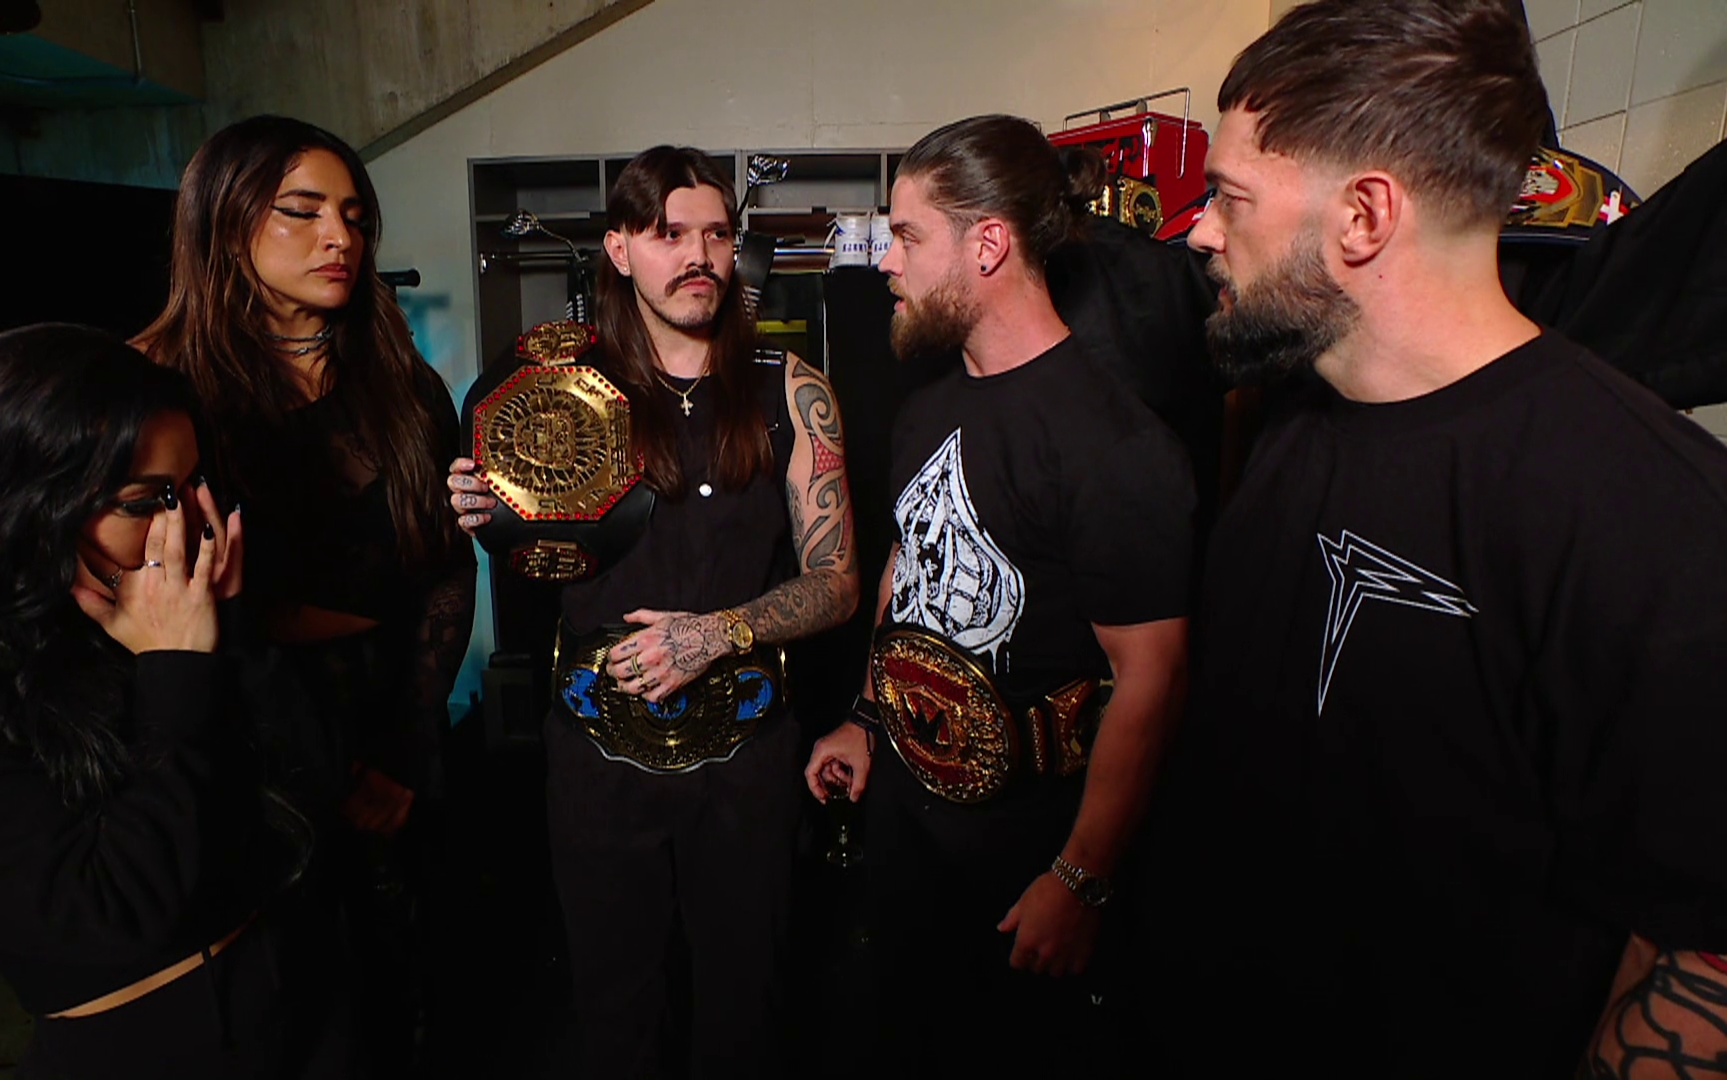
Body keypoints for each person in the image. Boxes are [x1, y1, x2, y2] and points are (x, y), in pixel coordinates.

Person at [1129, 2, 1727, 1076]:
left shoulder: (1653, 513)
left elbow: (1698, 946)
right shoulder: (1290, 429)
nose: (1201, 233)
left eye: (1229, 197)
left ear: (1364, 216)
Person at [0, 324, 348, 1078]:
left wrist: (230, 635)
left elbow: (313, 780)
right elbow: (121, 909)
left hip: (310, 1001)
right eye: (147, 500)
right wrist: (175, 671)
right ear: (20, 503)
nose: (190, 527)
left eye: (194, 486)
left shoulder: (119, 612)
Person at [448, 144, 859, 1079]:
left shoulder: (791, 389)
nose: (698, 256)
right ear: (621, 248)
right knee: (615, 1011)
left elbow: (837, 581)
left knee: (746, 1009)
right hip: (596, 760)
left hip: (746, 758)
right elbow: (519, 547)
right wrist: (485, 511)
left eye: (716, 233)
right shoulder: (553, 393)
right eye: (669, 234)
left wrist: (719, 631)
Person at [802, 114, 1197, 1074]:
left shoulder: (1113, 445)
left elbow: (1151, 679)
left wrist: (1082, 878)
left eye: (907, 236)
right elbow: (907, 573)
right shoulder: (924, 407)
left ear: (987, 245)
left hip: (1027, 858)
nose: (884, 262)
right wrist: (864, 717)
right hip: (908, 832)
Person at [134, 115, 477, 1075]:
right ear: (223, 218)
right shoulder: (150, 387)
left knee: (397, 996)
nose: (340, 237)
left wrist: (405, 748)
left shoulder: (401, 383)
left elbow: (445, 567)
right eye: (303, 210)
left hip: (385, 723)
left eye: (355, 216)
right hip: (232, 743)